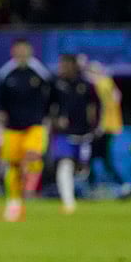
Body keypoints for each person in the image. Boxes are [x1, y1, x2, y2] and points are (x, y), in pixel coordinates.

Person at [0, 39, 50, 222]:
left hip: (34, 125)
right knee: (13, 165)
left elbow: (51, 95)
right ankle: (14, 201)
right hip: (13, 127)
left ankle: (30, 190)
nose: (22, 53)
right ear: (13, 52)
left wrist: (49, 115)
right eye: (19, 50)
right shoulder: (6, 73)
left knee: (33, 155)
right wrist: (0, 114)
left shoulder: (40, 72)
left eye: (25, 50)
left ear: (30, 51)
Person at [48, 54, 100, 214]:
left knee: (82, 169)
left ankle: (90, 192)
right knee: (64, 164)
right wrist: (55, 120)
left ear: (73, 65)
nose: (61, 68)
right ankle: (68, 202)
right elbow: (48, 106)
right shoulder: (55, 84)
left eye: (64, 65)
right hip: (64, 133)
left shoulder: (87, 84)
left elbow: (96, 106)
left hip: (84, 133)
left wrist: (94, 125)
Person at [85, 60, 131, 195]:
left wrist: (99, 125)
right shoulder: (108, 82)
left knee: (101, 158)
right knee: (96, 158)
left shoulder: (101, 84)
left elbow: (103, 107)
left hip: (103, 127)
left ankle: (121, 184)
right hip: (109, 126)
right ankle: (92, 186)